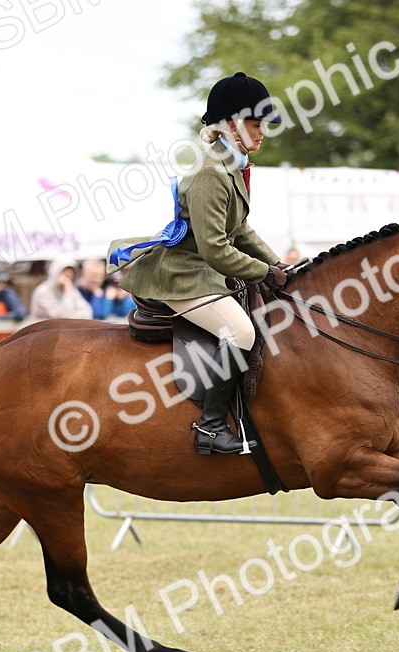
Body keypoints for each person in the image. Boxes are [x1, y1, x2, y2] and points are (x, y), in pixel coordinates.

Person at [106, 71, 286, 455]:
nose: (263, 133)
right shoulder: (210, 172)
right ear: (233, 126)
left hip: (204, 271)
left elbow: (240, 231)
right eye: (256, 124)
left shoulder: (231, 166)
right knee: (240, 332)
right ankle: (210, 430)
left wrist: (280, 264)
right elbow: (216, 249)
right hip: (184, 275)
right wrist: (263, 272)